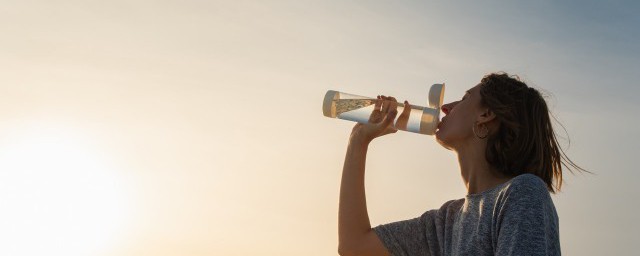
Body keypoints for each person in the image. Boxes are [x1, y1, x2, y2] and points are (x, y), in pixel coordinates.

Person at [337, 73, 588, 256]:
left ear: (486, 115)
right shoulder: (447, 221)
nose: (445, 107)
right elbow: (354, 245)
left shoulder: (523, 194)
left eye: (466, 98)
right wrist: (358, 141)